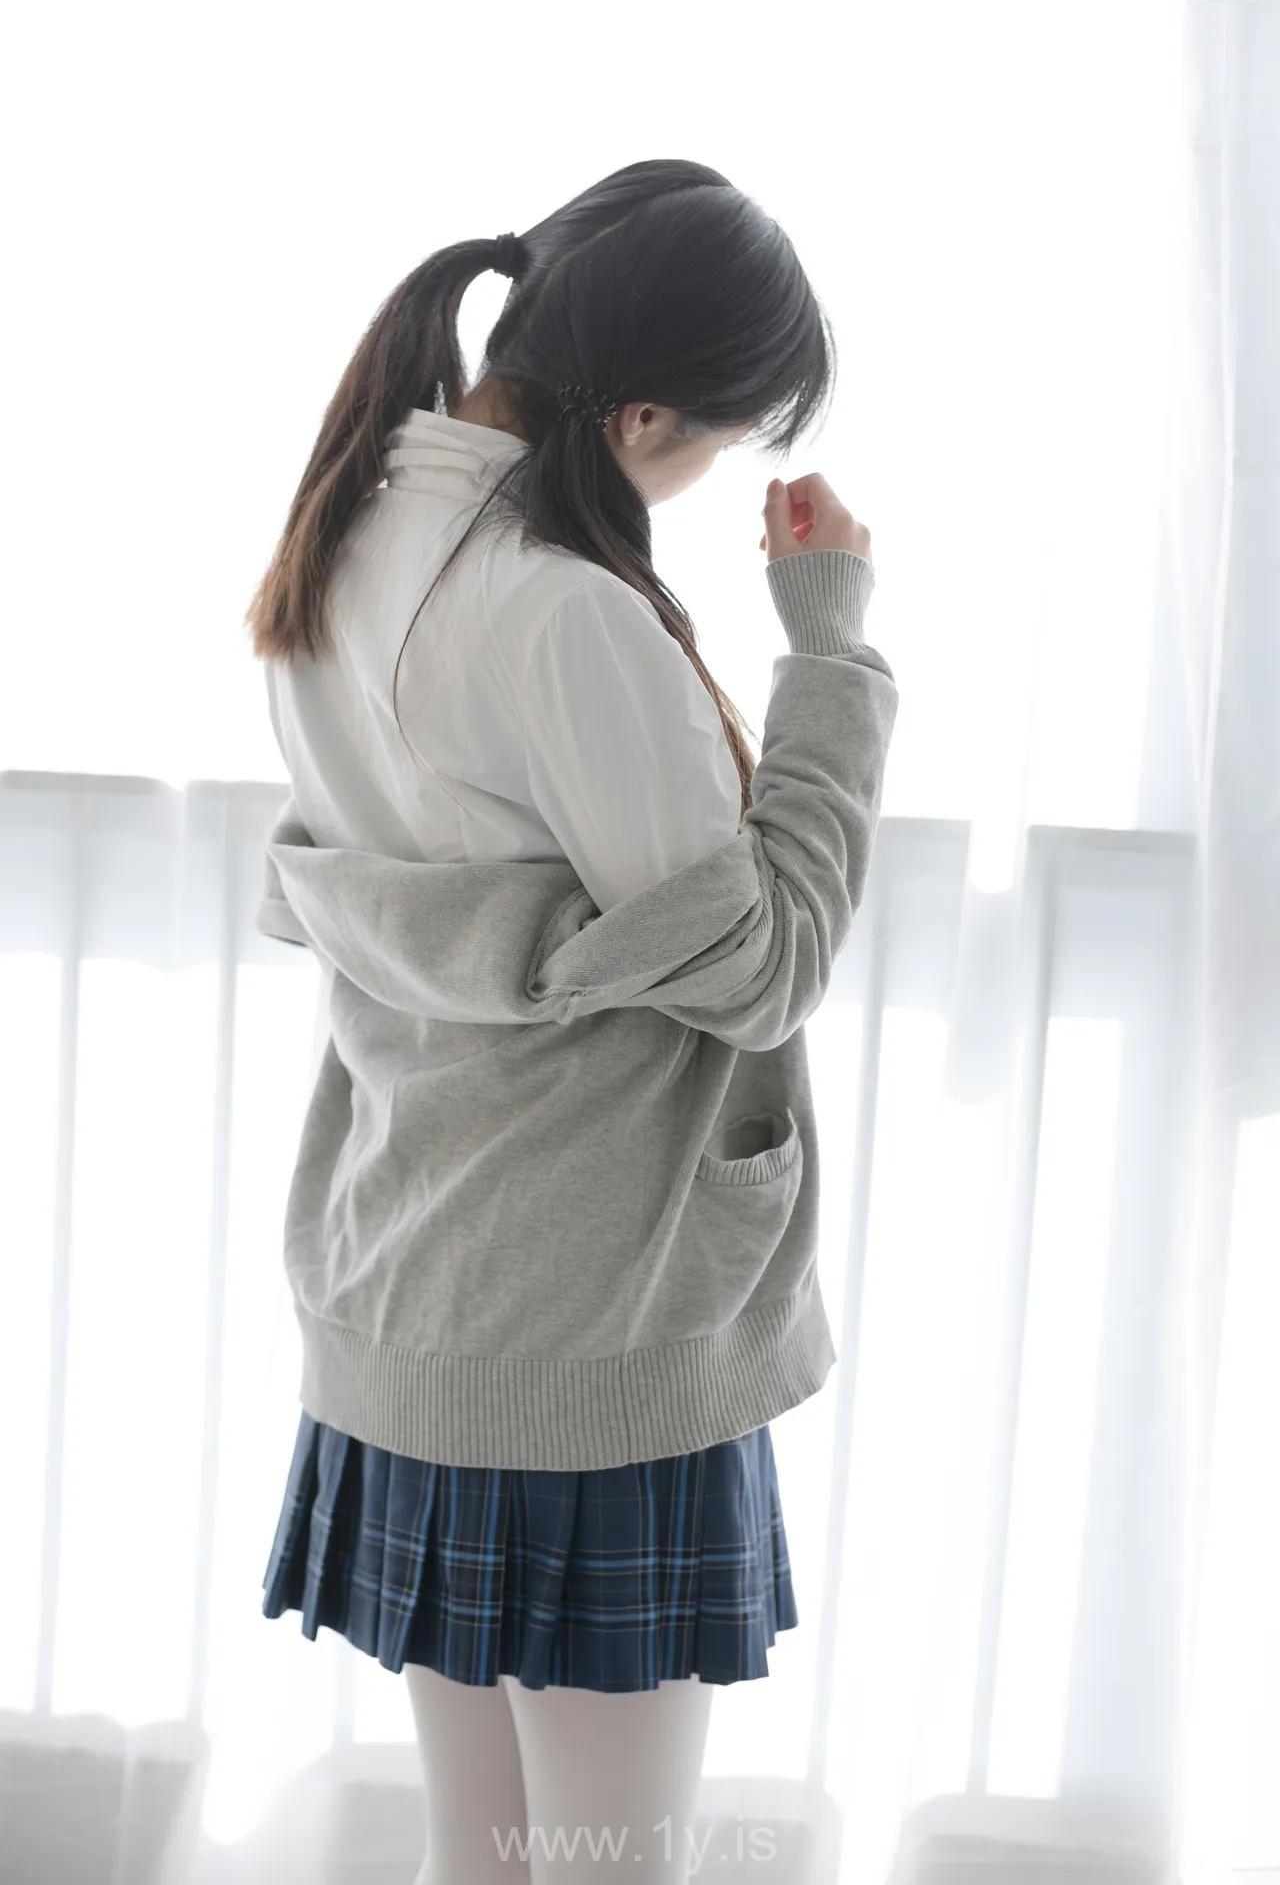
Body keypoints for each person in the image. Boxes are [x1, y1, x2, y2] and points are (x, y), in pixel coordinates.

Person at [246, 158, 897, 1883]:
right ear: (644, 414)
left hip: (417, 1288)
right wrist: (830, 652)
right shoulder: (563, 610)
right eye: (717, 443)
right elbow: (760, 959)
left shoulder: (341, 541)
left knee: (485, 1856)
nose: (706, 479)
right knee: (613, 1863)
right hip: (594, 1329)